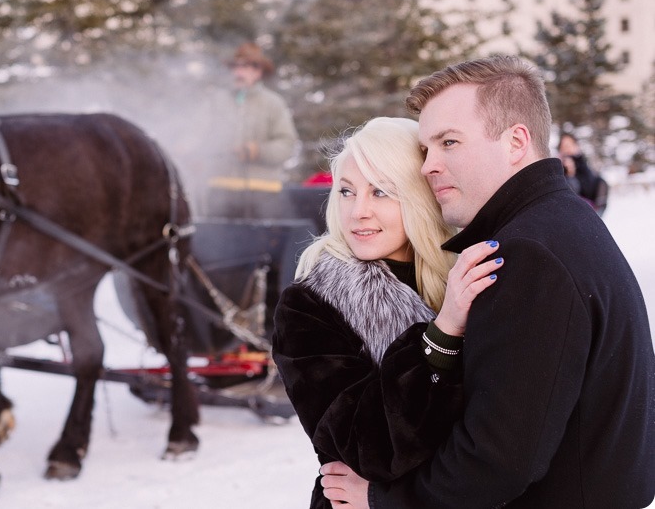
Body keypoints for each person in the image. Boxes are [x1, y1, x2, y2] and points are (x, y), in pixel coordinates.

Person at [321, 55, 655, 508]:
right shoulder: (561, 223)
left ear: (516, 141)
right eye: (426, 149)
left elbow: (499, 459)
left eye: (449, 142)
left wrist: (384, 500)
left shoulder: (526, 253)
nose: (427, 166)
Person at [271, 117, 503, 508]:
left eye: (380, 192)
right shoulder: (309, 306)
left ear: (421, 195)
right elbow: (370, 449)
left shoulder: (471, 272)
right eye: (346, 192)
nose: (357, 211)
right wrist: (442, 333)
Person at [203, 42, 299, 218]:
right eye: (236, 67)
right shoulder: (216, 101)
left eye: (245, 67)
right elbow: (201, 137)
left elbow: (286, 145)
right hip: (220, 191)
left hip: (263, 193)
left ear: (258, 72)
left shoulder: (274, 103)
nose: (238, 73)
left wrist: (258, 151)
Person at [558, 132, 608, 215]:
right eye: (564, 146)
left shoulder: (582, 163)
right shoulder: (558, 166)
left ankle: (595, 216)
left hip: (589, 203)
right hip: (571, 208)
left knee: (602, 182)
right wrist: (570, 174)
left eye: (569, 145)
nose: (567, 149)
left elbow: (589, 187)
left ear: (576, 146)